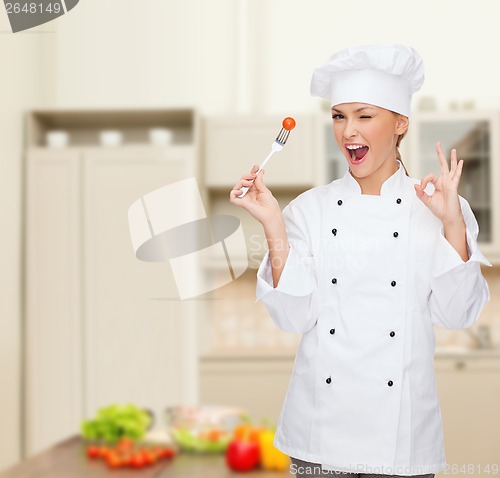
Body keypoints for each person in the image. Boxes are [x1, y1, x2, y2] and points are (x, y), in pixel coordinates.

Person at [229, 44, 492, 478]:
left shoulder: (441, 208)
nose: (348, 130)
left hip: (402, 442)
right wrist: (273, 223)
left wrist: (451, 227)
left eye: (364, 116)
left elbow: (458, 314)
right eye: (339, 116)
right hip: (319, 436)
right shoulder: (309, 210)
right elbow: (294, 318)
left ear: (400, 123)